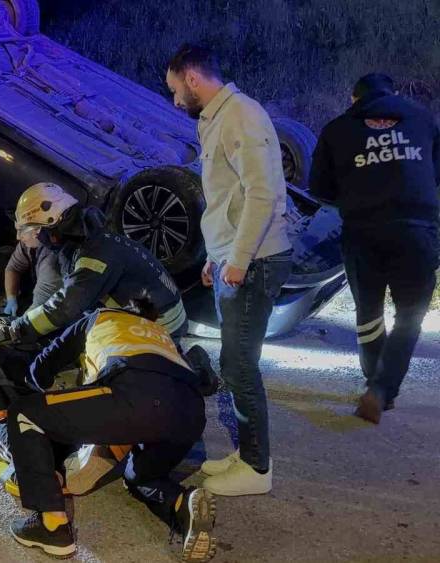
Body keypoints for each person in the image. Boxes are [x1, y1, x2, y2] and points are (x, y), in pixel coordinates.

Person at [165, 44, 292, 496]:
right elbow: (228, 198)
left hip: (256, 261)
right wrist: (217, 256)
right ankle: (247, 451)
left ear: (192, 79)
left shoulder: (240, 115)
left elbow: (262, 193)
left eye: (175, 89)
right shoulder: (217, 118)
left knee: (239, 367)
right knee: (234, 363)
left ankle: (257, 469)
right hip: (236, 258)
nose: (175, 99)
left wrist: (237, 259)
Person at [6, 300, 216, 561]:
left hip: (134, 397)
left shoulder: (101, 317)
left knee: (24, 413)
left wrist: (46, 395)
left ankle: (51, 526)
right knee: (140, 477)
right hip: (190, 414)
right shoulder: (161, 334)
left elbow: (42, 367)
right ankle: (180, 504)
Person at [309, 73, 440, 423]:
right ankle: (383, 389)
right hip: (416, 231)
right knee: (409, 316)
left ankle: (373, 382)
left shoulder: (337, 129)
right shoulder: (422, 118)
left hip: (362, 232)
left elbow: (318, 187)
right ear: (392, 93)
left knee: (369, 314)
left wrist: (356, 194)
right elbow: (435, 172)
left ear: (355, 99)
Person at [0, 182, 188, 352]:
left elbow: (65, 306)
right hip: (155, 313)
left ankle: (184, 363)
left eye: (29, 230)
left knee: (96, 357)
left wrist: (14, 331)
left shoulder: (94, 256)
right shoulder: (89, 241)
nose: (21, 236)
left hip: (160, 328)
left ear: (50, 226)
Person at [3, 228, 63, 317]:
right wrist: (11, 297)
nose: (18, 237)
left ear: (38, 229)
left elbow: (40, 304)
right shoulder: (29, 242)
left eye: (21, 230)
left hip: (61, 306)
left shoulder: (52, 257)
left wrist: (16, 324)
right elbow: (13, 268)